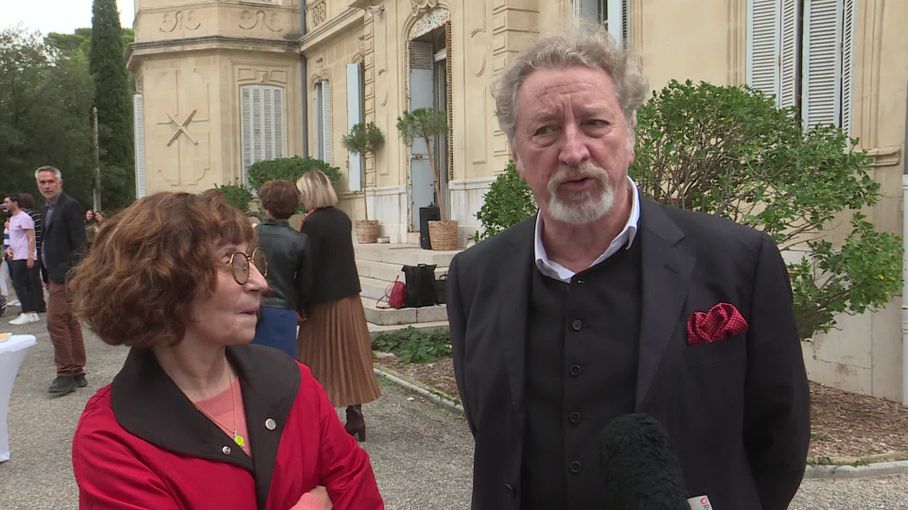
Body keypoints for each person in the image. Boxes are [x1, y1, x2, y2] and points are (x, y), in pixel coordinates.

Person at [446, 26, 810, 510]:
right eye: (545, 130)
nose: (573, 151)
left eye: (595, 124)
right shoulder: (474, 276)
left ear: (630, 136)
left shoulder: (740, 261)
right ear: (516, 154)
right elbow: (488, 424)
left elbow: (779, 438)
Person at [69, 191, 384, 509]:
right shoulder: (113, 439)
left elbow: (357, 489)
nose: (260, 282)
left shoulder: (291, 380)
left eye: (250, 260)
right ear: (162, 282)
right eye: (232, 261)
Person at [295, 170, 380, 442]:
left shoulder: (312, 223)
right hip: (349, 297)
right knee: (350, 356)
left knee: (318, 359)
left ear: (309, 193)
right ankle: (355, 415)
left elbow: (310, 268)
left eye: (302, 192)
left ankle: (322, 423)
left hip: (324, 302)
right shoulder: (342, 218)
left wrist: (301, 302)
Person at [35, 166, 87, 396]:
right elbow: (47, 244)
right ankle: (76, 371)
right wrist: (46, 275)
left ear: (60, 183)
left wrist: (76, 275)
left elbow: (79, 243)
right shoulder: (46, 208)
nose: (46, 186)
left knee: (55, 322)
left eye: (50, 181)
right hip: (54, 275)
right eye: (42, 182)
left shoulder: (69, 206)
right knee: (69, 321)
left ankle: (66, 373)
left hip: (67, 275)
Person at [251, 179, 310, 358]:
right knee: (284, 366)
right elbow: (304, 280)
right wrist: (302, 308)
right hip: (284, 310)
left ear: (265, 205)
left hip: (253, 306)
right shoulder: (300, 240)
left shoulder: (251, 235)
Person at [3, 194, 40, 325]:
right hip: (16, 255)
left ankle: (28, 312)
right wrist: (8, 249)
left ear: (15, 202)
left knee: (21, 284)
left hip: (24, 256)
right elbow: (14, 238)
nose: (5, 205)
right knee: (21, 284)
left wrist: (31, 256)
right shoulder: (13, 219)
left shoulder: (24, 218)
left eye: (7, 202)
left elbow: (31, 237)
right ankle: (32, 312)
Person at [19, 193, 47, 314]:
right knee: (34, 278)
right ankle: (39, 304)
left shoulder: (27, 216)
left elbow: (32, 234)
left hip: (34, 249)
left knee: (31, 278)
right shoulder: (36, 214)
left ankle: (37, 305)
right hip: (38, 247)